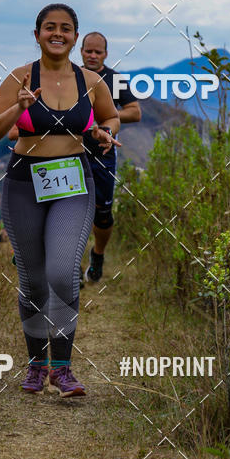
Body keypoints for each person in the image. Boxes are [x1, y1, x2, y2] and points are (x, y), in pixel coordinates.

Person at [0, 4, 120, 397]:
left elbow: (111, 117)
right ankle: (36, 365)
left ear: (76, 37)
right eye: (49, 27)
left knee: (62, 272)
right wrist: (18, 107)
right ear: (37, 33)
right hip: (25, 182)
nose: (57, 34)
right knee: (33, 278)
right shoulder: (19, 78)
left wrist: (104, 133)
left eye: (66, 28)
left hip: (74, 183)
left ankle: (62, 368)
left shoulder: (92, 81)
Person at [80, 31, 141, 282]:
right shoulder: (70, 75)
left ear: (106, 54)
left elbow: (135, 112)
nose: (93, 55)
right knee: (69, 209)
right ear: (81, 51)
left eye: (98, 52)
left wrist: (106, 118)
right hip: (69, 151)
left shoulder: (113, 80)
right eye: (88, 51)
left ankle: (98, 255)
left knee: (102, 215)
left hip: (103, 153)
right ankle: (70, 268)